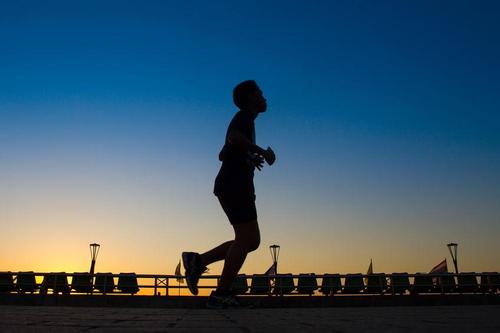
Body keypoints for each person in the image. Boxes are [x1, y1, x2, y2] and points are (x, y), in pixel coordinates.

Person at [182, 80, 275, 308]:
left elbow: (223, 153)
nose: (265, 97)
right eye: (260, 93)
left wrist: (249, 157)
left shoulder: (247, 121)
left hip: (234, 185)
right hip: (234, 185)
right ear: (251, 99)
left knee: (250, 240)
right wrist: (259, 150)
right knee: (247, 239)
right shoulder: (243, 116)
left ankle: (197, 261)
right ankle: (221, 293)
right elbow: (233, 138)